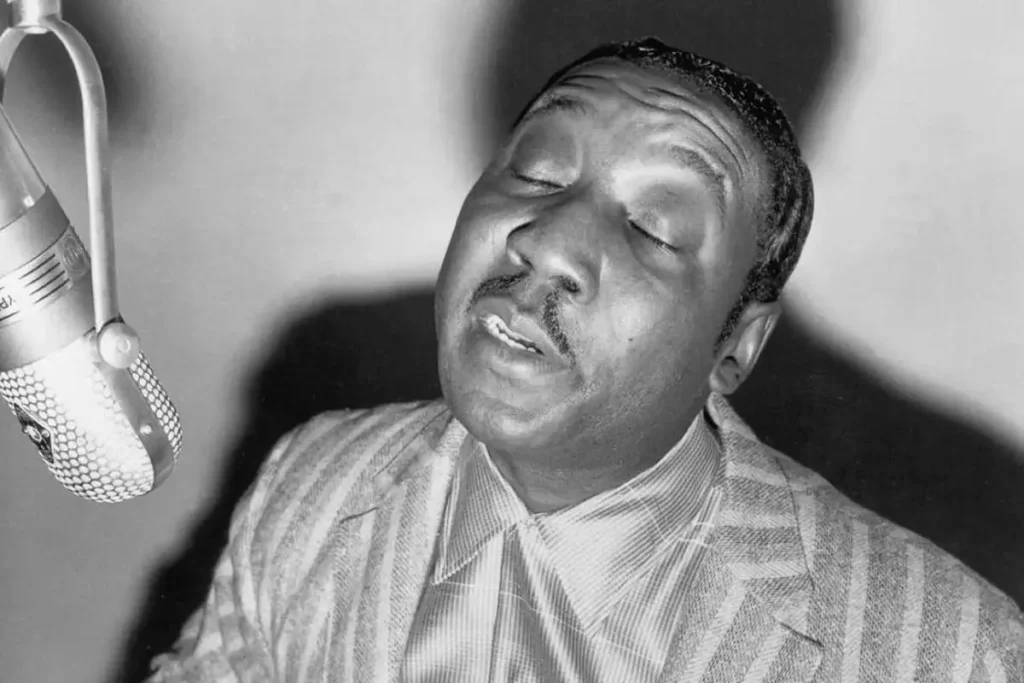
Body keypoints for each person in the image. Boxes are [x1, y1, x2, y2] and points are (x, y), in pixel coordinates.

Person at [146, 38, 1023, 682]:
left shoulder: (945, 650)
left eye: (654, 227)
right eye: (535, 173)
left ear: (736, 348)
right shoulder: (318, 484)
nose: (549, 240)